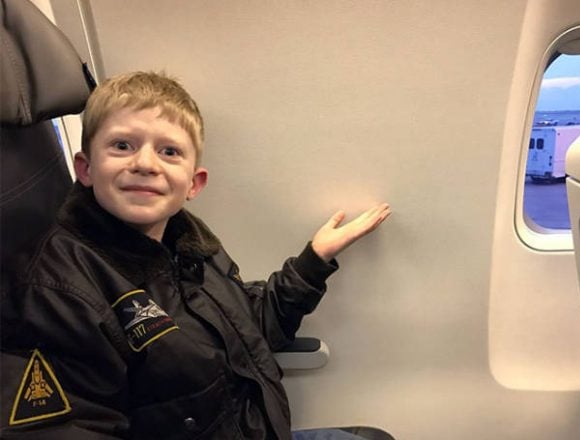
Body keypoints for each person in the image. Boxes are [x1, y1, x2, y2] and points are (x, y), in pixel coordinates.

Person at [0, 71, 390, 439]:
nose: (145, 164)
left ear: (193, 183)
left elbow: (248, 329)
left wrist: (313, 262)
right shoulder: (55, 292)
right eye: (122, 146)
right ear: (85, 168)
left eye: (169, 151)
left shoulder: (189, 246)